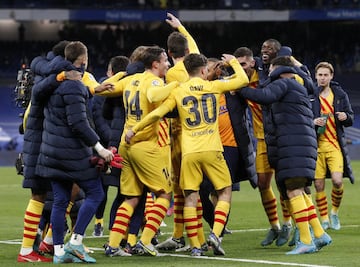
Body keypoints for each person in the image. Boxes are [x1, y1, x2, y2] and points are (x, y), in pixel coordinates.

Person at [125, 53, 249, 256]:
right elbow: (242, 80)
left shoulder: (178, 91)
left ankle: (195, 248)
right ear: (203, 71)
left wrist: (134, 128)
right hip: (212, 148)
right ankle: (216, 235)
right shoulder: (214, 86)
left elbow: (157, 113)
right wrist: (233, 61)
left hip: (189, 152)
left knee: (190, 196)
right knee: (224, 191)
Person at [239, 56, 332, 255]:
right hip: (302, 145)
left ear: (278, 70)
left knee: (294, 192)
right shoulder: (297, 86)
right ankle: (319, 232)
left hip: (293, 146)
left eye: (271, 68)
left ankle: (306, 240)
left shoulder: (285, 84)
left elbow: (263, 96)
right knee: (300, 190)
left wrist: (239, 88)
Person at [36, 41, 114, 263]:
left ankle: (59, 252)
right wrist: (99, 148)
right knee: (96, 193)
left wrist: (91, 90)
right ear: (82, 61)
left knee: (60, 201)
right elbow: (78, 123)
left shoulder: (52, 82)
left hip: (50, 153)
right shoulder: (74, 85)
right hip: (70, 153)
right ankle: (76, 242)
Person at [95, 45, 178, 257]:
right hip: (145, 145)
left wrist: (121, 73)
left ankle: (113, 245)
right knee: (165, 193)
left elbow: (106, 87)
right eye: (165, 61)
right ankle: (145, 240)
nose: (168, 64)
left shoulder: (129, 80)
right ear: (155, 64)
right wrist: (176, 84)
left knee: (131, 197)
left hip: (126, 146)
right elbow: (154, 95)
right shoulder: (154, 81)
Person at [17, 40, 82, 263]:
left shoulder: (44, 75)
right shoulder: (50, 80)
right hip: (42, 145)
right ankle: (28, 250)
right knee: (44, 194)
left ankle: (42, 243)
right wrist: (62, 76)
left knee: (55, 192)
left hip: (40, 144)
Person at [234, 45, 292, 246]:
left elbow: (284, 55)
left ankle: (288, 224)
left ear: (252, 61)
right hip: (260, 139)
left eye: (243, 64)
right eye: (237, 64)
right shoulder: (237, 80)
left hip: (278, 137)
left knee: (285, 183)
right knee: (262, 184)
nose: (240, 68)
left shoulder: (267, 76)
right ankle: (275, 226)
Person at [155, 12, 202, 252]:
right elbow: (192, 44)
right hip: (199, 134)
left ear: (169, 54)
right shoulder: (195, 63)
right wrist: (181, 26)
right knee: (188, 188)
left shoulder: (171, 75)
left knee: (182, 189)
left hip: (179, 135)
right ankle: (180, 236)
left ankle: (194, 238)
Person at [199, 57, 257, 236]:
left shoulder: (232, 89)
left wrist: (232, 64)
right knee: (201, 191)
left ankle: (219, 227)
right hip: (208, 147)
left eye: (209, 69)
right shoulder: (201, 90)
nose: (204, 73)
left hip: (230, 146)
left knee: (222, 190)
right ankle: (217, 224)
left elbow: (247, 81)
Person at [313, 61, 355, 231]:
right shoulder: (309, 95)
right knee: (318, 185)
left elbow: (350, 116)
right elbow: (302, 118)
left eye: (325, 75)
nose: (322, 78)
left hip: (334, 145)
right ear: (315, 76)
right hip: (315, 147)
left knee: (338, 181)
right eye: (320, 75)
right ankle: (323, 219)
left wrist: (346, 116)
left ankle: (334, 213)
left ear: (331, 76)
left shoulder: (339, 94)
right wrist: (313, 121)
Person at [91, 55, 130, 237]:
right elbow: (99, 118)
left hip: (117, 146)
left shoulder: (126, 89)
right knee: (103, 189)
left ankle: (116, 227)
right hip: (107, 147)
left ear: (110, 71)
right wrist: (113, 141)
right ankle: (99, 222)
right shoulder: (103, 90)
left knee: (124, 190)